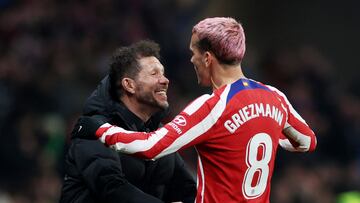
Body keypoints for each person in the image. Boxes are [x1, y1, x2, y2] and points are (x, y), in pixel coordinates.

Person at [78, 17, 317, 203]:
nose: (191, 59)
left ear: (208, 58)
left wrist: (101, 129)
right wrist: (268, 133)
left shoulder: (213, 106)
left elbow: (150, 147)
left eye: (193, 52)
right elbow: (307, 141)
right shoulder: (275, 97)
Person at [59, 40, 196, 203]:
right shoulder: (94, 129)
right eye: (154, 74)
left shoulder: (159, 134)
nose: (165, 80)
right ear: (129, 85)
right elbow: (112, 190)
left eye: (163, 73)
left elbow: (188, 189)